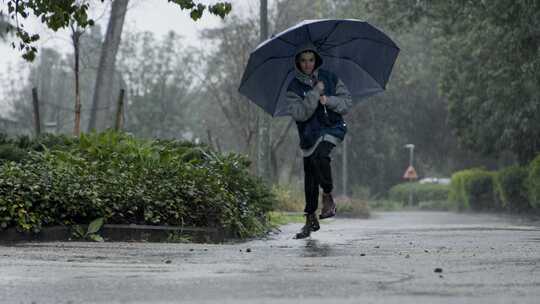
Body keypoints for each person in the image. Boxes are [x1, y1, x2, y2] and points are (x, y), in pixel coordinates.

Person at [286, 44, 352, 239]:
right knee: (310, 176)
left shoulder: (330, 78)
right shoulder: (293, 88)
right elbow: (299, 114)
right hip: (309, 135)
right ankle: (309, 218)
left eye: (311, 59)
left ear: (316, 60)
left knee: (321, 157)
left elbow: (346, 103)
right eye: (303, 60)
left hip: (332, 128)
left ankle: (328, 196)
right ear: (298, 62)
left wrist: (328, 99)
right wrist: (315, 93)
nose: (307, 64)